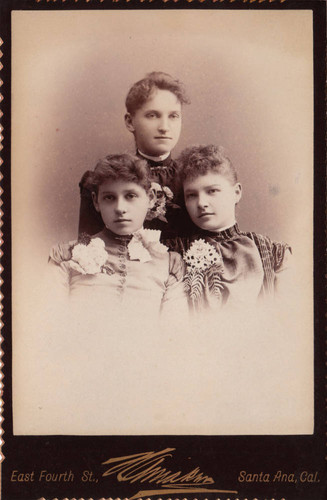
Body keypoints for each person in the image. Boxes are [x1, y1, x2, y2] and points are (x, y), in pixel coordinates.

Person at [49, 153, 187, 321]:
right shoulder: (65, 257)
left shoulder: (169, 265)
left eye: (130, 196)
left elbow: (175, 333)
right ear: (96, 202)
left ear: (150, 199)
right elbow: (51, 323)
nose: (120, 208)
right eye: (109, 198)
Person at [166, 144, 292, 312]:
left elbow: (287, 318)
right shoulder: (173, 253)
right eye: (192, 195)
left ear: (236, 192)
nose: (202, 203)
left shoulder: (274, 253)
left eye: (212, 191)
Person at [78, 72, 190, 237]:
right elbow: (89, 250)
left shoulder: (191, 177)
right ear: (130, 122)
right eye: (152, 115)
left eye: (173, 116)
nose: (165, 127)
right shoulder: (104, 180)